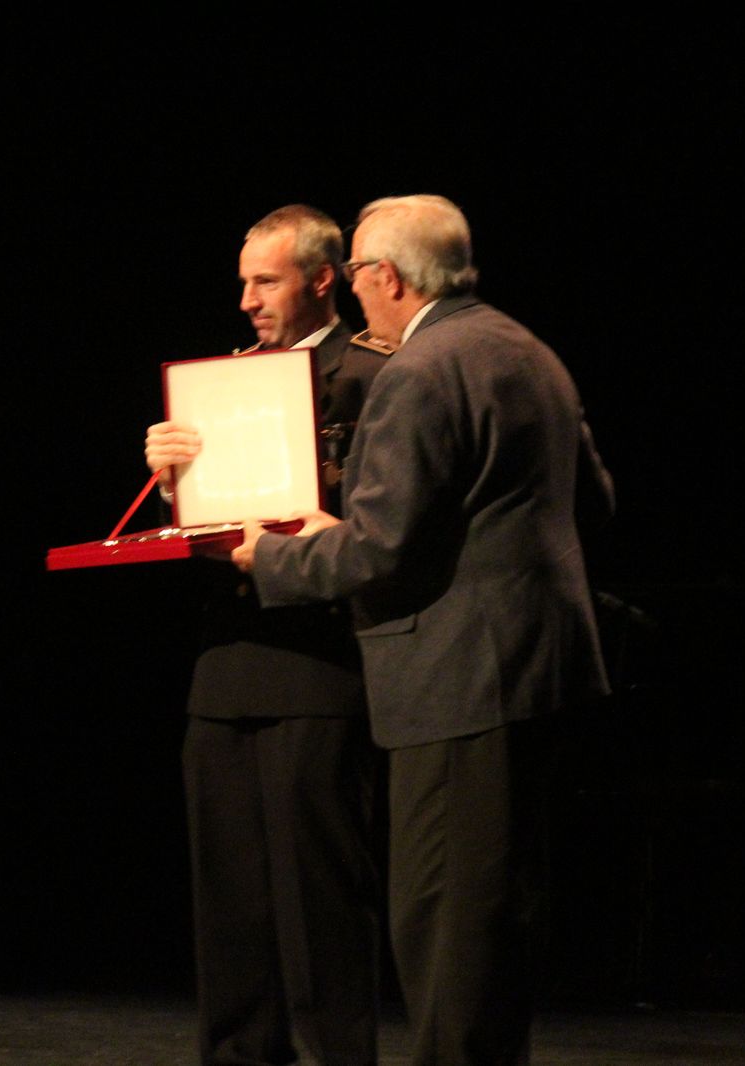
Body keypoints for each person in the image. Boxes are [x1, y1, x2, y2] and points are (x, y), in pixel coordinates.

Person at [233, 195, 614, 1066]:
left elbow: (376, 552)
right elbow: (595, 503)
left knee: (444, 929)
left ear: (388, 277)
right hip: (539, 671)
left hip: (457, 681)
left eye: (362, 274)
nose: (361, 293)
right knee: (495, 922)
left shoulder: (419, 368)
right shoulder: (529, 351)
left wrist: (272, 559)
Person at [145, 205, 388, 1066]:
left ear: (323, 279)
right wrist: (173, 479)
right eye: (243, 281)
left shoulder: (369, 373)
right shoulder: (223, 384)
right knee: (232, 903)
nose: (247, 299)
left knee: (316, 898)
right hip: (227, 662)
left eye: (266, 280)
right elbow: (204, 528)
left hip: (319, 664)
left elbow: (383, 524)